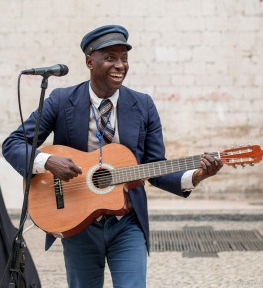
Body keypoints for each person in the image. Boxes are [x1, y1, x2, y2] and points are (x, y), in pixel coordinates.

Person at [2, 25, 223, 288]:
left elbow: (154, 166)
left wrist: (195, 176)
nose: (120, 65)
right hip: (77, 222)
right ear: (89, 62)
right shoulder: (60, 101)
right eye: (110, 58)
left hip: (127, 223)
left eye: (124, 58)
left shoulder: (143, 105)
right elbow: (13, 143)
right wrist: (47, 161)